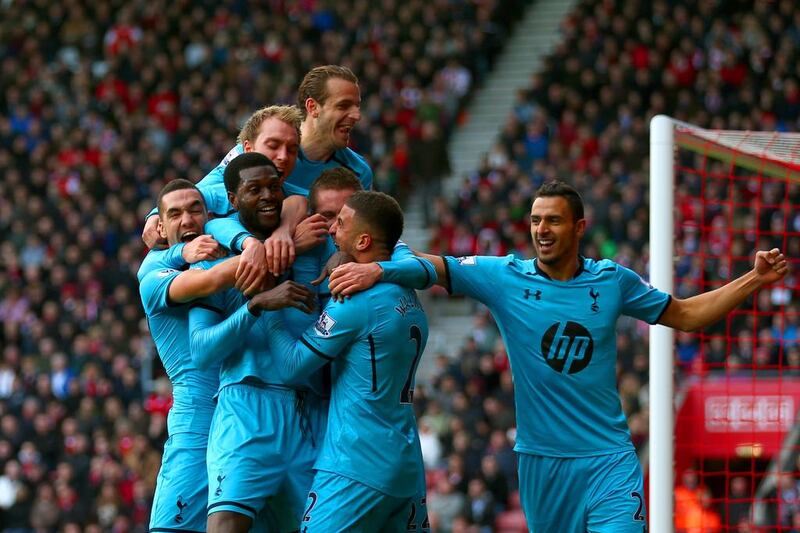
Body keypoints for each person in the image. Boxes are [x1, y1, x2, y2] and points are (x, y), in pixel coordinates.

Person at [328, 180, 789, 531]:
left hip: (608, 456)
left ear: (579, 227)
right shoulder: (505, 277)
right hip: (542, 462)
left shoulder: (613, 280)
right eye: (535, 221)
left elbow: (685, 315)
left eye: (553, 220)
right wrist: (380, 269)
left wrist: (753, 280)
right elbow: (437, 266)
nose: (541, 230)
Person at [261, 191, 432, 532]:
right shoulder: (406, 290)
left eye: (341, 223)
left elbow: (292, 366)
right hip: (405, 463)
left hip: (356, 463)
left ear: (364, 240)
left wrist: (270, 308)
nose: (333, 230)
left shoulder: (355, 302)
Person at [138, 179, 244, 532]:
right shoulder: (152, 275)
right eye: (175, 214)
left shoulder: (226, 250)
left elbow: (224, 171)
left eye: (195, 210)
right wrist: (265, 251)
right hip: (196, 419)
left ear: (209, 216)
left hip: (248, 413)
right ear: (161, 227)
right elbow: (208, 281)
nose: (187, 219)